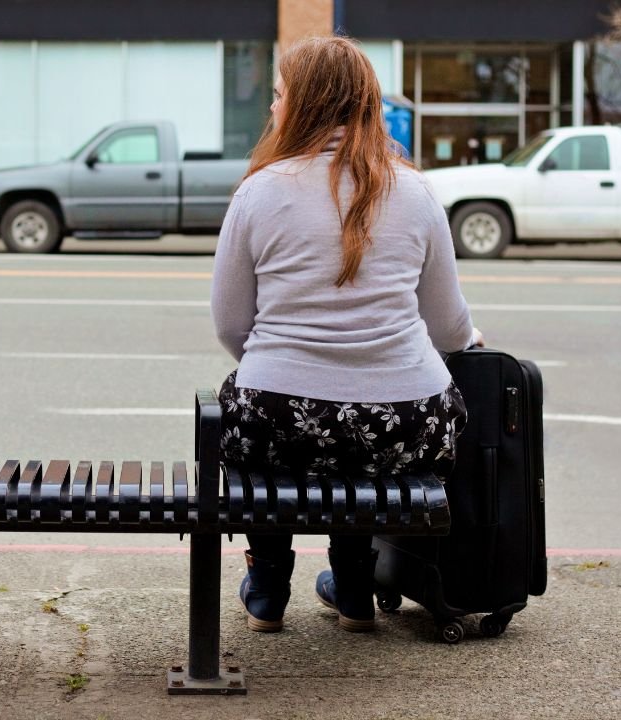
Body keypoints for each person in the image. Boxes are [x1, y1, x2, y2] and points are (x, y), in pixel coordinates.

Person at [210, 36, 483, 634]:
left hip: (280, 414)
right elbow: (449, 329)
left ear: (306, 103)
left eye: (280, 95)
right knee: (364, 435)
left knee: (268, 429)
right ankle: (355, 587)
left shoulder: (259, 190)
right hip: (405, 419)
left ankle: (267, 586)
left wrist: (284, 369)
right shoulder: (415, 191)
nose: (273, 109)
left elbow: (231, 323)